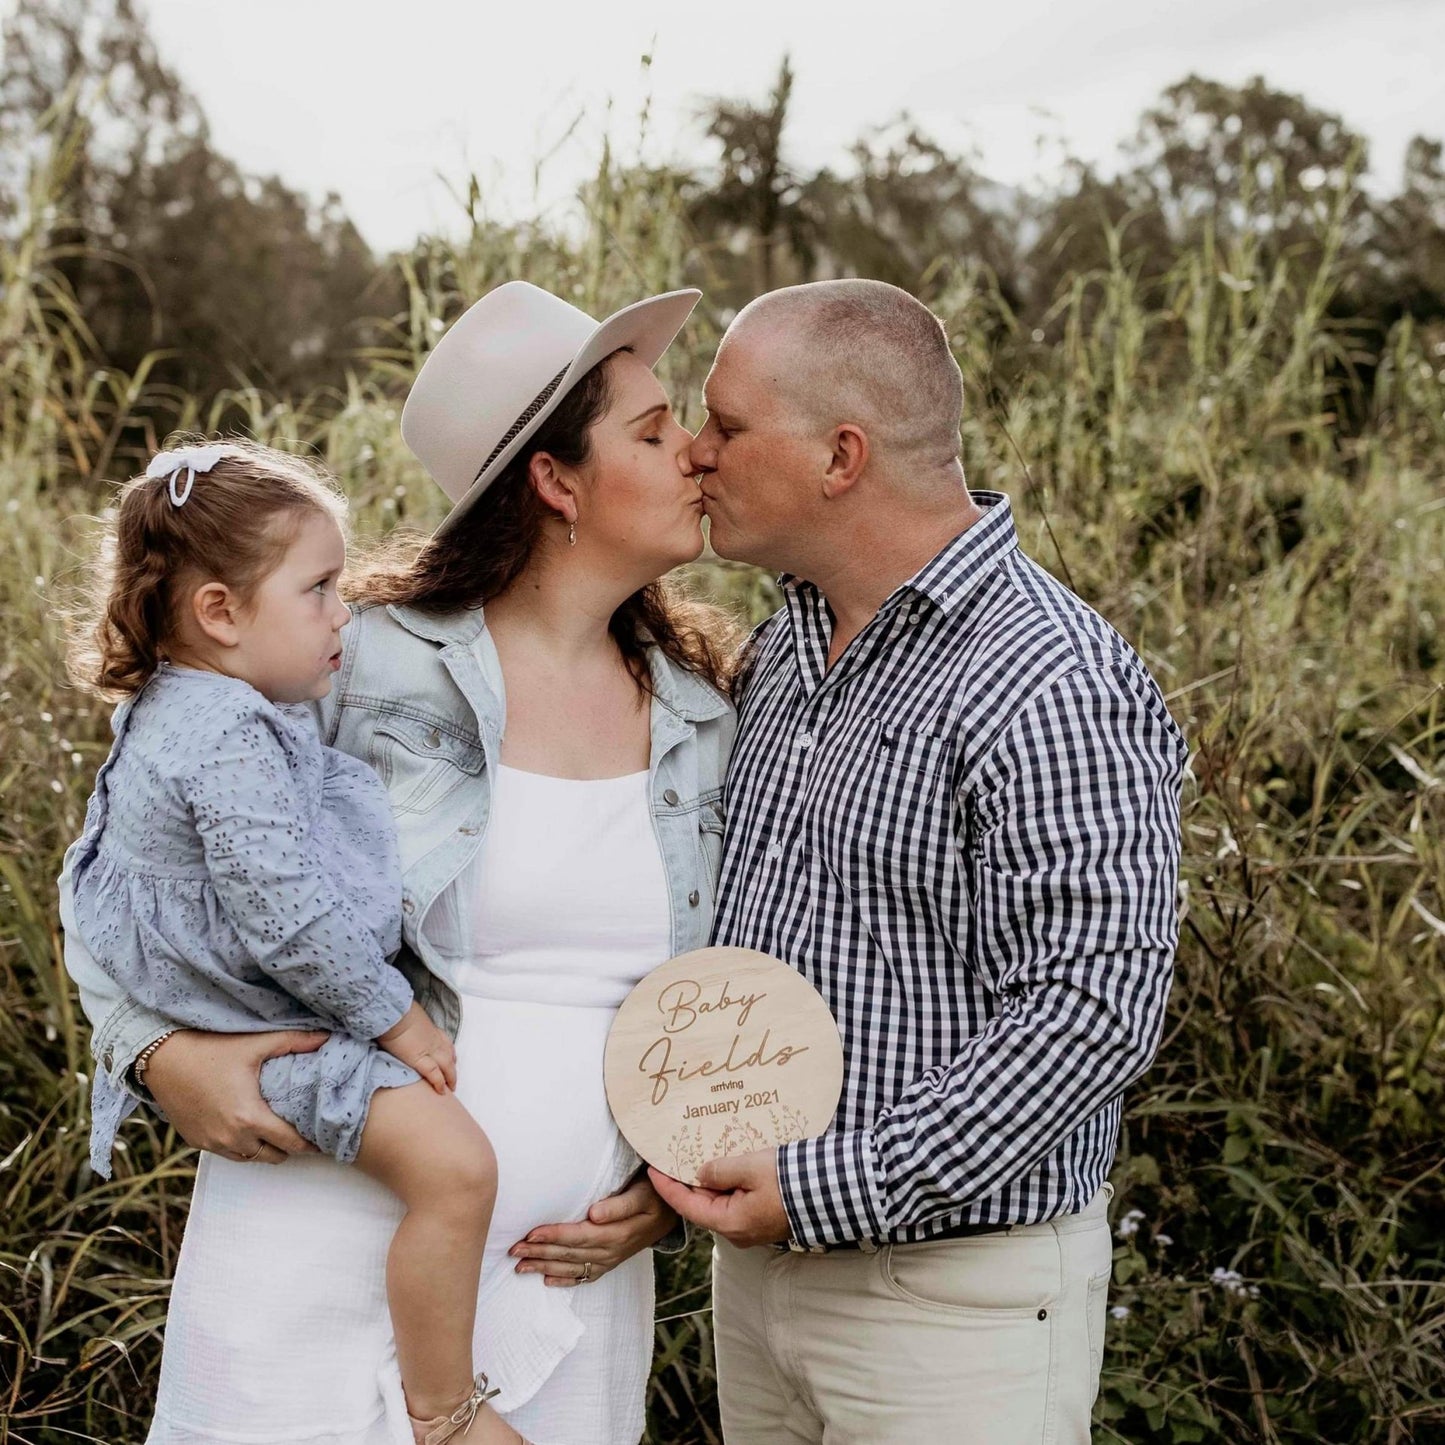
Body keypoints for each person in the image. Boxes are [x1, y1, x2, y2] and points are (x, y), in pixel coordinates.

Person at [60, 280, 737, 1445]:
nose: (696, 452)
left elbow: (729, 990)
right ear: (555, 479)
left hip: (563, 1278)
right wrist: (158, 1051)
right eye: (653, 427)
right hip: (320, 1238)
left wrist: (666, 1201)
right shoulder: (349, 664)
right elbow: (125, 863)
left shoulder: (706, 716)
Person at [650, 278, 1189, 1444]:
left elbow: (1091, 1006)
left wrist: (827, 1185)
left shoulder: (1048, 680)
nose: (695, 452)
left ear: (840, 456)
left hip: (951, 1307)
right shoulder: (786, 646)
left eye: (727, 424)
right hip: (757, 1281)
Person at [63, 438, 517, 1444]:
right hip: (276, 1044)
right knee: (457, 1169)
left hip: (253, 1021)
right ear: (220, 611)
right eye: (317, 589)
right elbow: (290, 919)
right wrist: (394, 1018)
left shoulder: (171, 711)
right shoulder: (229, 735)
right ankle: (445, 1410)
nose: (341, 613)